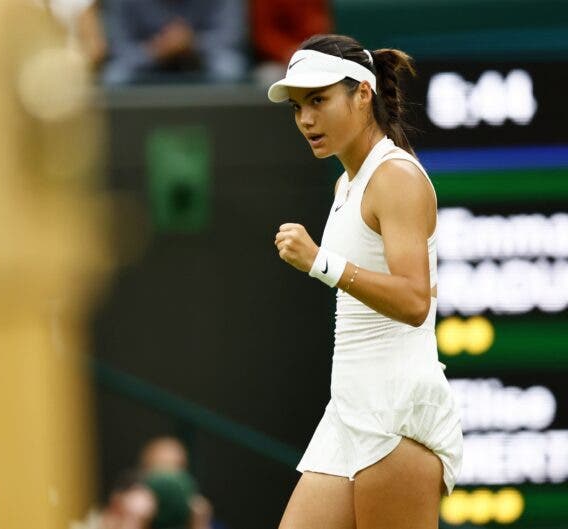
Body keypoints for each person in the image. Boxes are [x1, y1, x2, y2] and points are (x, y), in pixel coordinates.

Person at [268, 34, 463, 528]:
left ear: (362, 94)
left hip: (397, 413)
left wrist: (320, 262)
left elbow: (416, 300)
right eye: (297, 106)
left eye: (318, 100)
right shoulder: (347, 182)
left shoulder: (394, 176)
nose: (306, 119)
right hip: (350, 409)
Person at [102, 0, 246, 85]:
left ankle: (223, 129)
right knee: (115, 76)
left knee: (230, 68)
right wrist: (157, 50)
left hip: (200, 59)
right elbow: (118, 47)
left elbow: (231, 36)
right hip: (147, 61)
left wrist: (192, 43)